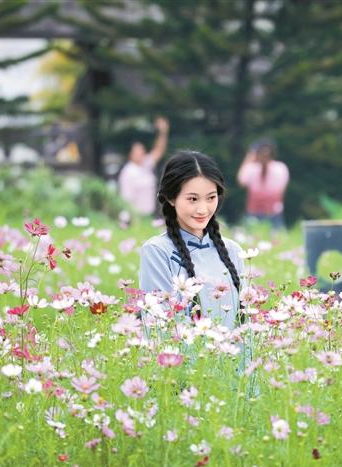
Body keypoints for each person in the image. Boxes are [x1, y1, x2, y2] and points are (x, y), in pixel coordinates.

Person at [139, 150, 244, 330]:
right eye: (193, 199)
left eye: (211, 198)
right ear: (171, 198)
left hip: (231, 356)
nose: (203, 209)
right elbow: (157, 327)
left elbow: (246, 327)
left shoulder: (232, 251)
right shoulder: (158, 251)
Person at [118, 117, 170, 216]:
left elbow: (159, 151)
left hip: (148, 215)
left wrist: (163, 132)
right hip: (135, 216)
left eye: (142, 150)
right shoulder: (128, 172)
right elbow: (125, 199)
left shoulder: (145, 164)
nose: (141, 153)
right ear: (130, 154)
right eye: (137, 151)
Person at [237, 140, 290, 230]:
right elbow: (241, 181)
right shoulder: (280, 168)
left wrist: (249, 157)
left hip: (264, 211)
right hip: (265, 211)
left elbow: (241, 180)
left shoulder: (253, 168)